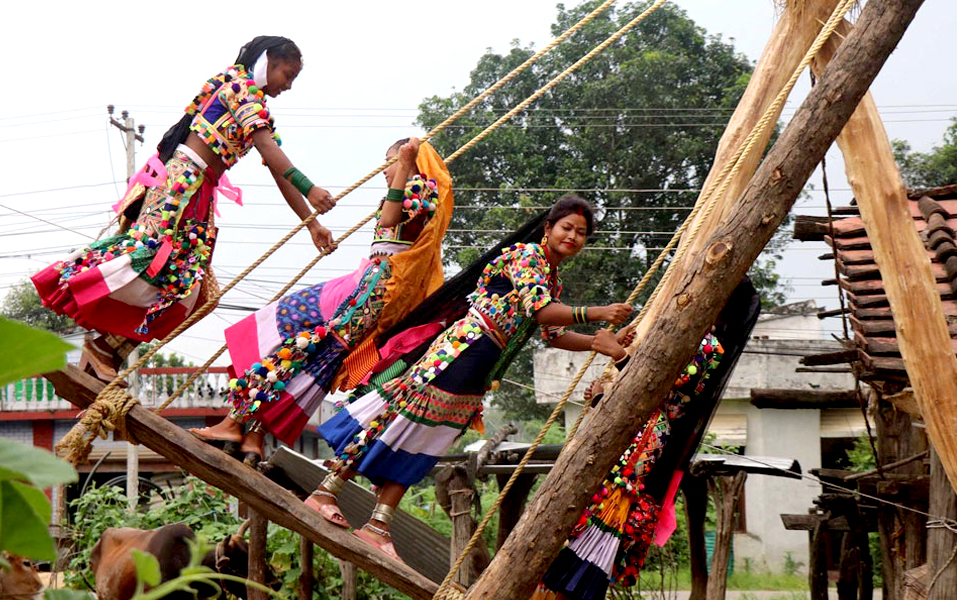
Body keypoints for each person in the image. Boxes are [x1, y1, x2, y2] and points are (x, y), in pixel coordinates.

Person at [309, 195, 635, 562]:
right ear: (548, 227)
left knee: (427, 439)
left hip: (481, 365)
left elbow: (555, 334)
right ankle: (326, 491)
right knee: (400, 422)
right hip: (464, 349)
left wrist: (598, 342)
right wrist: (599, 312)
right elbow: (541, 312)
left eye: (581, 233)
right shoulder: (528, 256)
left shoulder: (551, 280)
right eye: (567, 227)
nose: (573, 237)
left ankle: (378, 526)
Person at [32, 36, 336, 382]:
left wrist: (311, 223)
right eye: (288, 73)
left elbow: (276, 165)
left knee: (197, 294)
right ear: (268, 62)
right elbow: (269, 149)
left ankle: (106, 351)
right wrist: (309, 189)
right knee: (152, 260)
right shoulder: (240, 89)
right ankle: (96, 339)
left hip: (199, 192)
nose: (289, 85)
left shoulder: (256, 107)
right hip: (181, 184)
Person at [190, 137, 454, 466]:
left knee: (291, 336)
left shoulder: (419, 188)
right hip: (367, 289)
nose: (385, 171)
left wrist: (403, 166)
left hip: (368, 295)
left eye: (390, 161)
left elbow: (388, 220)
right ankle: (254, 434)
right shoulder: (414, 189)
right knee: (307, 357)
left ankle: (234, 423)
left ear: (412, 161)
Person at [533, 279, 760, 600]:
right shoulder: (688, 335)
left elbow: (660, 389)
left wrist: (618, 353)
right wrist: (601, 398)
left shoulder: (709, 346)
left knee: (592, 540)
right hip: (631, 436)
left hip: (641, 448)